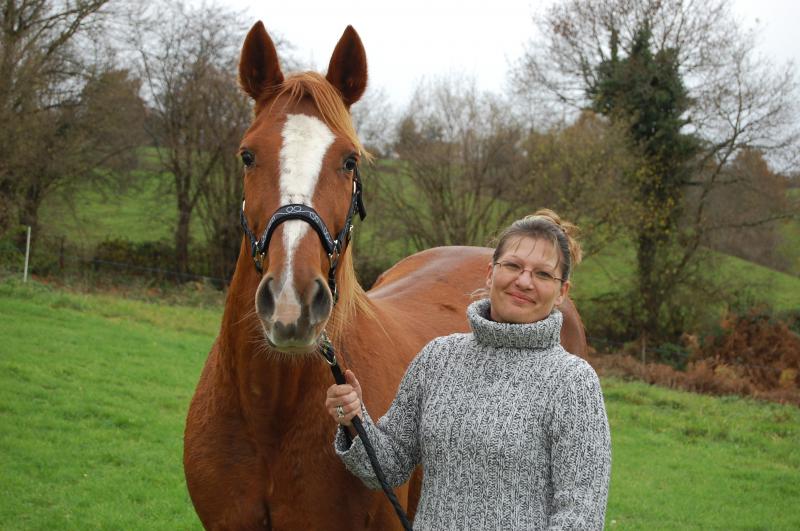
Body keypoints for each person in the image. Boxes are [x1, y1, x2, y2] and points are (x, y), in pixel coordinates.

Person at [325, 210, 611, 529]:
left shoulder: (573, 383)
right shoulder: (438, 358)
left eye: (543, 275)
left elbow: (580, 516)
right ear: (490, 274)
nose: (524, 281)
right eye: (513, 266)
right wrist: (356, 420)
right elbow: (388, 467)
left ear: (562, 292)